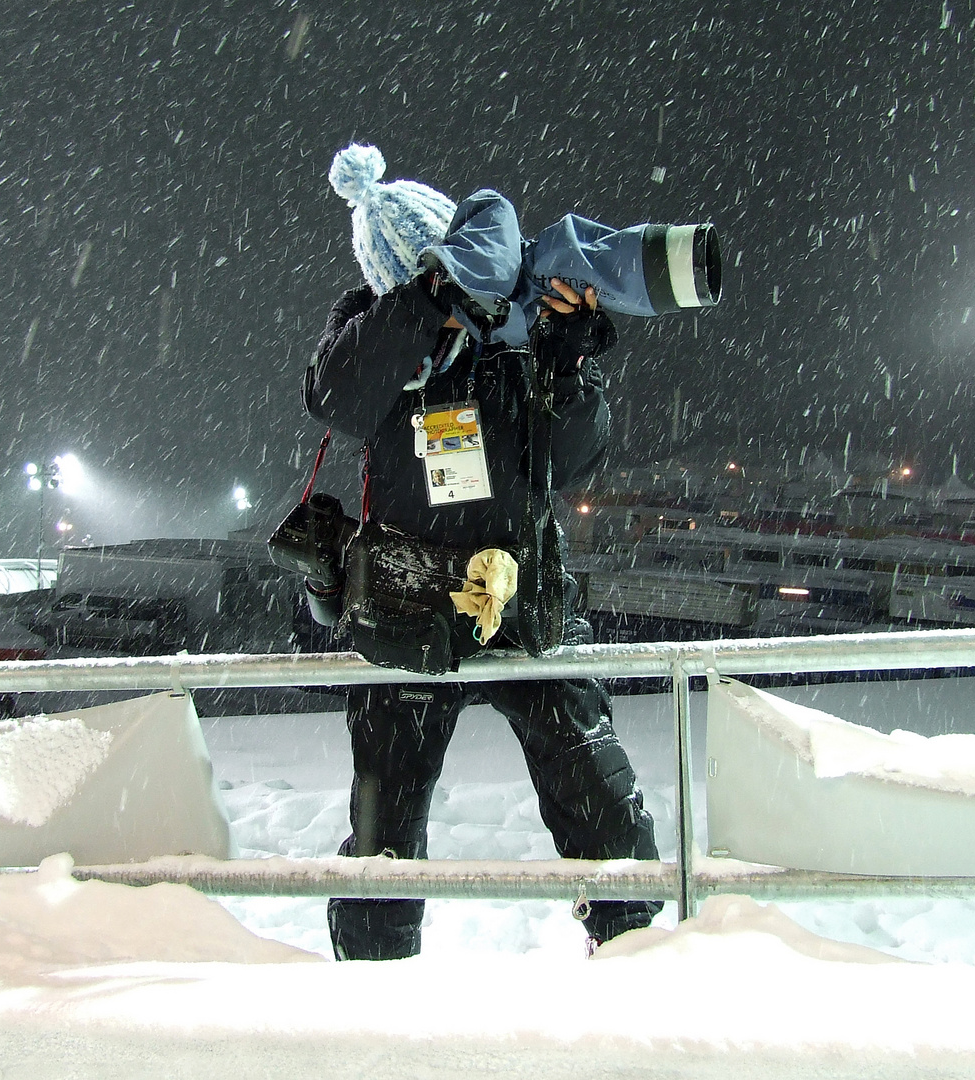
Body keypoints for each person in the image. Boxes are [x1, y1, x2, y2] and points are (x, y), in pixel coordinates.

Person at [301, 144, 662, 961]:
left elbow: (572, 460)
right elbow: (337, 396)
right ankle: (371, 986)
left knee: (595, 788)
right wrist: (428, 301)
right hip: (404, 606)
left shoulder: (517, 332)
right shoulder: (372, 321)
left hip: (519, 599)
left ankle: (640, 957)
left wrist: (568, 361)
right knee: (383, 821)